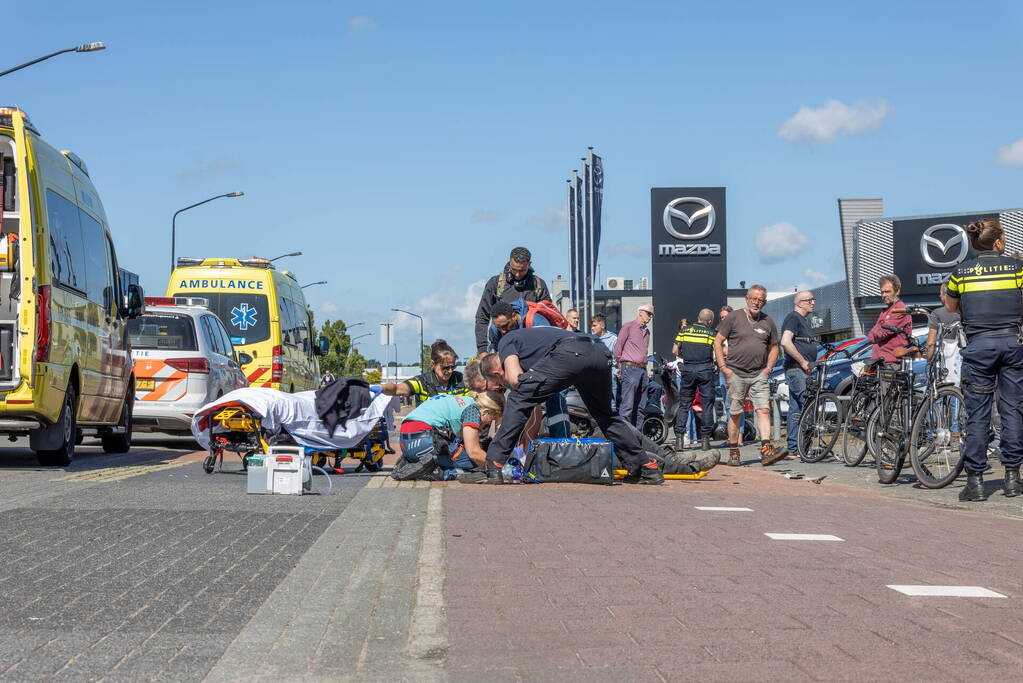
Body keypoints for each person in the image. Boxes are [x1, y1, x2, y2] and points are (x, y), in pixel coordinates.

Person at [480, 327, 664, 484]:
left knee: (518, 399)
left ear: (496, 372)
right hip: (599, 352)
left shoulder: (506, 342)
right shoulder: (531, 341)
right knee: (605, 415)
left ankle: (494, 463)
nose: (502, 388)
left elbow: (514, 379)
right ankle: (644, 466)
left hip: (570, 353)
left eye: (499, 385)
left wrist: (518, 387)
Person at [945, 218, 1023, 502]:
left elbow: (951, 306)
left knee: (977, 415)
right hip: (1012, 343)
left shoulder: (961, 272)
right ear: (1000, 242)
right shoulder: (1017, 268)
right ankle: (1013, 477)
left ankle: (975, 482)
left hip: (979, 346)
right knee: (1013, 409)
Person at [714, 285, 783, 467]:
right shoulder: (733, 317)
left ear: (765, 302)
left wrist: (768, 368)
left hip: (758, 373)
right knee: (735, 413)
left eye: (760, 300)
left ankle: (766, 449)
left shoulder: (768, 321)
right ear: (747, 299)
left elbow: (775, 346)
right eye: (753, 298)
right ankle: (734, 451)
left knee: (763, 410)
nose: (756, 302)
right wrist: (723, 366)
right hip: (735, 372)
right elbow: (718, 341)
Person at [487, 301, 569, 438]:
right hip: (519, 367)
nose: (503, 331)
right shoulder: (496, 329)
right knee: (517, 401)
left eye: (506, 326)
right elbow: (498, 356)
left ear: (514, 316)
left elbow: (550, 351)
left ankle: (562, 442)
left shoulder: (535, 321)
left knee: (555, 398)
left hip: (550, 362)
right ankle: (518, 444)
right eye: (499, 327)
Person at [391, 392, 505, 481]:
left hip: (406, 442)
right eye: (491, 420)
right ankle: (437, 472)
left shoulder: (464, 401)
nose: (486, 425)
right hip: (423, 440)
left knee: (459, 450)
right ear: (486, 412)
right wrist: (498, 468)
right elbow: (474, 452)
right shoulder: (473, 410)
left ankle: (414, 462)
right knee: (472, 463)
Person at [474, 247, 551, 355]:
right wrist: (482, 350)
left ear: (529, 264)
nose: (518, 274)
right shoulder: (495, 283)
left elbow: (548, 315)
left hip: (532, 348)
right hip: (501, 345)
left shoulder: (538, 285)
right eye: (514, 269)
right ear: (509, 262)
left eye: (522, 270)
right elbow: (482, 317)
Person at [672, 309, 717, 452]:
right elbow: (720, 351)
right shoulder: (711, 334)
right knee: (706, 404)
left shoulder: (684, 331)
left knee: (684, 404)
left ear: (698, 318)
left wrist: (685, 356)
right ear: (709, 321)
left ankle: (679, 440)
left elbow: (675, 350)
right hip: (705, 370)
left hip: (688, 369)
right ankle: (705, 441)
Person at [780, 291, 818, 458]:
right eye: (810, 300)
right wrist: (803, 362)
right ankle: (801, 447)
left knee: (796, 409)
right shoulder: (793, 318)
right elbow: (785, 341)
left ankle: (795, 448)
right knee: (807, 406)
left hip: (800, 370)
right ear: (800, 303)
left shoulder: (802, 320)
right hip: (798, 370)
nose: (813, 303)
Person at [380, 339, 469, 404]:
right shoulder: (422, 382)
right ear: (433, 364)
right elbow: (396, 389)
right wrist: (381, 389)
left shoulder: (461, 380)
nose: (450, 371)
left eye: (453, 367)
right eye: (445, 368)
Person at [615, 304, 654, 429]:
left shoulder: (647, 332)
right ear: (641, 312)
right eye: (649, 313)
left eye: (652, 314)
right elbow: (618, 347)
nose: (650, 317)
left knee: (640, 407)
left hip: (642, 369)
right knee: (627, 406)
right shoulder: (629, 326)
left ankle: (636, 437)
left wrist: (645, 370)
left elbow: (644, 352)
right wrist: (620, 365)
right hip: (630, 368)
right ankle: (624, 438)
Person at [867, 275, 912, 366]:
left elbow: (882, 333)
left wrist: (875, 332)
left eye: (887, 292)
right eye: (882, 292)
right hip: (880, 362)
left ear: (897, 291)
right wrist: (874, 333)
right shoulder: (885, 311)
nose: (884, 295)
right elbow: (871, 335)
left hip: (892, 364)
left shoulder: (900, 309)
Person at [927, 282, 962, 386]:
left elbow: (931, 342)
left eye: (941, 293)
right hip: (965, 357)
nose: (939, 296)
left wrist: (929, 360)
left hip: (946, 359)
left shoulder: (936, 314)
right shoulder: (964, 311)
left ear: (946, 295)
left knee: (942, 388)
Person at [591, 314, 618, 409]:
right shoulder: (592, 340)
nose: (592, 328)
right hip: (595, 377)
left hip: (609, 377)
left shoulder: (613, 339)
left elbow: (617, 358)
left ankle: (612, 422)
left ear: (602, 326)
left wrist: (614, 373)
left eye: (594, 325)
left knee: (611, 404)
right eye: (592, 325)